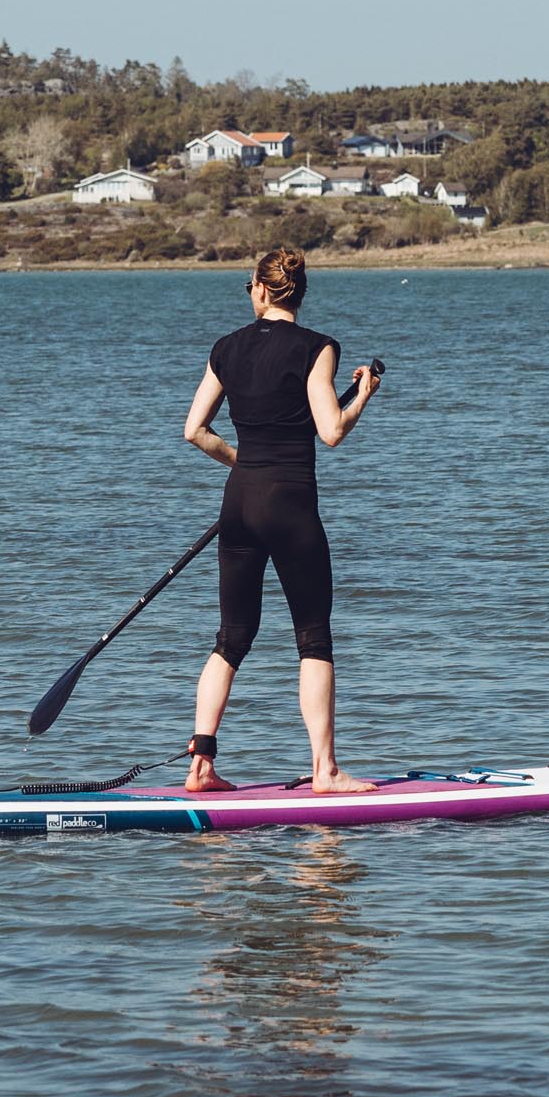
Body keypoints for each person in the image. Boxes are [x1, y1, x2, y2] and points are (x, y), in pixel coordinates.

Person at [182, 246, 382, 794]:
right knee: (313, 638)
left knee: (231, 638)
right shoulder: (317, 348)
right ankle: (326, 771)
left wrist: (246, 465)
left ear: (263, 290)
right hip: (291, 504)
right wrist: (362, 397)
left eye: (248, 285)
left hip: (239, 503)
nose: (248, 292)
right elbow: (332, 431)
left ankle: (200, 765)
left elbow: (194, 430)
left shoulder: (225, 349)